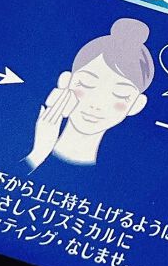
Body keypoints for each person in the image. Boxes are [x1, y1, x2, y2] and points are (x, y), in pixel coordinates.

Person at [26, 18, 154, 170]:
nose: (97, 104)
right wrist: (39, 152)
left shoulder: (123, 172)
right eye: (86, 84)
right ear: (65, 81)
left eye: (121, 95)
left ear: (137, 105)